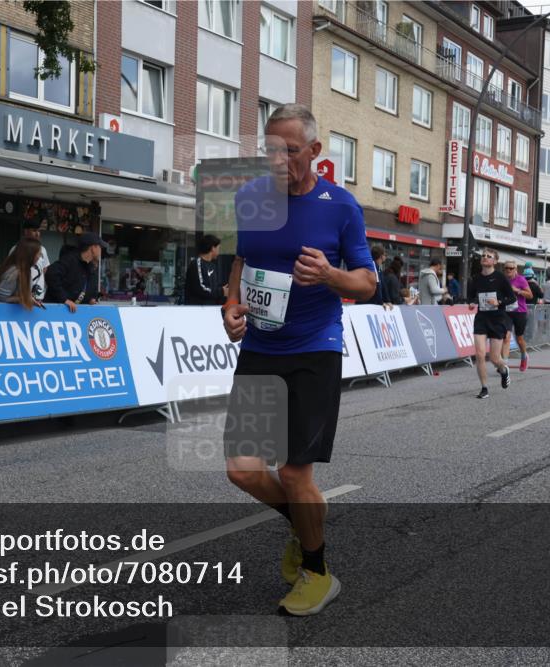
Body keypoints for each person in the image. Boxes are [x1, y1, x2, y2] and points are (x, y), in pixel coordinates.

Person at [221, 103, 376, 616]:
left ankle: (317, 570)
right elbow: (241, 263)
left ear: (314, 151)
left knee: (293, 473)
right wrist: (231, 305)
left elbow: (368, 283)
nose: (278, 158)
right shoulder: (249, 200)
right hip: (261, 348)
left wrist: (331, 276)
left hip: (314, 349)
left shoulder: (341, 206)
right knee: (243, 470)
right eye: (270, 149)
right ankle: (302, 519)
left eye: (290, 149)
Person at [467, 248, 516, 398]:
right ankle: (484, 388)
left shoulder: (500, 278)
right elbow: (471, 297)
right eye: (483, 256)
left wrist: (499, 302)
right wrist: (472, 303)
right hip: (481, 319)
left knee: (494, 358)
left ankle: (504, 369)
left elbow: (512, 298)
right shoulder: (475, 279)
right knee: (480, 355)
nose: (485, 258)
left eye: (489, 256)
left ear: (494, 261)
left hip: (497, 319)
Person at [45, 231, 105, 313]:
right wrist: (64, 299)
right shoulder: (69, 260)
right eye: (100, 247)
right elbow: (50, 274)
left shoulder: (91, 267)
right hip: (55, 312)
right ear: (93, 248)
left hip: (74, 315)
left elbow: (90, 289)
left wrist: (92, 299)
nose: (101, 250)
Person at [0, 238, 44, 309]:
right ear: (30, 255)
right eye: (38, 253)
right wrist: (22, 299)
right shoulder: (14, 272)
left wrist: (29, 299)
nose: (39, 256)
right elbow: (0, 297)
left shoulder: (26, 270)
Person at [501, 262, 533, 372]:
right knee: (506, 337)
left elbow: (530, 295)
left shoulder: (521, 280)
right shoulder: (502, 280)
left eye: (511, 268)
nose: (508, 270)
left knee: (519, 338)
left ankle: (524, 356)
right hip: (507, 312)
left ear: (516, 269)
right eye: (506, 268)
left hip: (520, 312)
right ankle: (504, 364)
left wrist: (517, 290)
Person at [9, 220, 50, 302]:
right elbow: (12, 273)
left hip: (38, 295)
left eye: (39, 231)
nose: (37, 234)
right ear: (26, 231)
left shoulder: (43, 249)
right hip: (21, 297)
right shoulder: (16, 249)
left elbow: (45, 269)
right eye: (34, 231)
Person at [184, 234, 227, 305]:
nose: (219, 252)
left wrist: (223, 292)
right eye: (218, 248)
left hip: (211, 309)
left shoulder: (213, 266)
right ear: (213, 248)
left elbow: (213, 289)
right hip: (197, 310)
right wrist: (221, 291)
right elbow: (201, 288)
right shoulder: (196, 263)